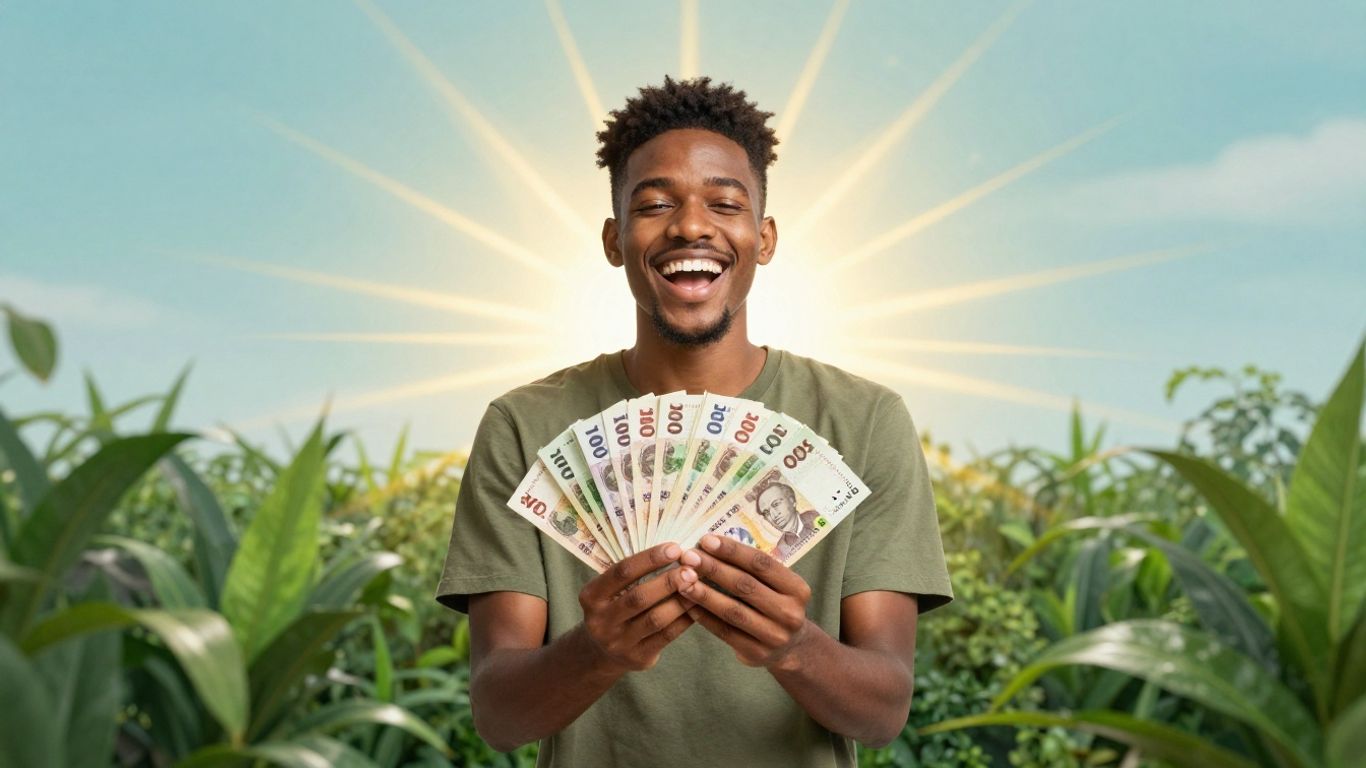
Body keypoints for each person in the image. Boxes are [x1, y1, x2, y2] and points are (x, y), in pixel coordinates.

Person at [436, 75, 953, 768]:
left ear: (763, 238)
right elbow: (500, 716)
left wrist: (793, 646)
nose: (689, 226)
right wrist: (597, 652)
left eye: (724, 203)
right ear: (614, 239)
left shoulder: (865, 422)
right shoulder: (523, 427)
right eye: (654, 204)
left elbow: (883, 713)